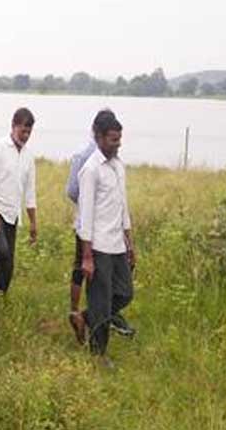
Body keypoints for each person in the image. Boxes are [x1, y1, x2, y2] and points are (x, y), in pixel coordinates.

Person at [65, 109, 135, 343]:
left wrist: (130, 242)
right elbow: (85, 216)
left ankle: (84, 317)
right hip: (98, 246)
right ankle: (98, 352)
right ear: (100, 138)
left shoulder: (118, 166)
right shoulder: (90, 169)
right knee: (100, 299)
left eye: (119, 139)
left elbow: (123, 205)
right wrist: (86, 257)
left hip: (118, 244)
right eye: (113, 139)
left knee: (125, 293)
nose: (118, 144)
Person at [0, 108, 38, 296]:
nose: (25, 136)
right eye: (23, 131)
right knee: (1, 251)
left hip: (13, 213)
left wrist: (33, 223)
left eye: (29, 132)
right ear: (13, 126)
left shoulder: (28, 156)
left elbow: (30, 192)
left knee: (8, 265)